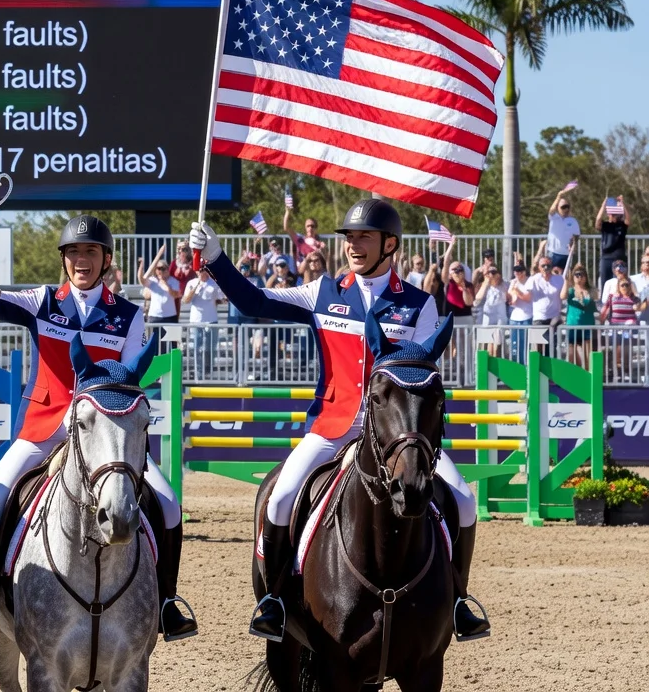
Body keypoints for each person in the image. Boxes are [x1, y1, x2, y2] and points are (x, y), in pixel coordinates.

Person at [189, 198, 488, 643]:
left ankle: (460, 600)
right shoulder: (322, 292)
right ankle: (273, 599)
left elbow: (421, 378)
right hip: (334, 425)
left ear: (390, 245)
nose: (353, 245)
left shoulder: (420, 306)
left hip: (397, 432)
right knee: (280, 497)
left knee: (463, 499)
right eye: (349, 237)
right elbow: (253, 300)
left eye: (364, 237)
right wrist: (215, 259)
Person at [0, 215, 198, 644]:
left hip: (104, 434)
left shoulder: (127, 315)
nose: (80, 260)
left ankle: (167, 602)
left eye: (89, 252)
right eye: (72, 252)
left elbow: (127, 380)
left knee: (168, 502)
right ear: (64, 260)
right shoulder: (42, 300)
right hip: (44, 428)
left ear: (106, 259)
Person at [182, 266, 222, 378]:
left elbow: (221, 299)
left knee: (210, 348)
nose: (201, 272)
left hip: (211, 320)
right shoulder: (191, 283)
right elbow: (185, 300)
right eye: (199, 270)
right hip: (196, 321)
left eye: (203, 270)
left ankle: (208, 371)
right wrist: (195, 288)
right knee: (197, 347)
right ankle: (199, 371)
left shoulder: (214, 283)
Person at [561, 265, 598, 368]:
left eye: (582, 274)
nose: (579, 277)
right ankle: (574, 376)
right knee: (572, 354)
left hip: (587, 325)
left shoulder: (591, 291)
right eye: (577, 275)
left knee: (587, 354)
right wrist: (566, 281)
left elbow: (596, 297)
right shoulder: (571, 291)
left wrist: (584, 293)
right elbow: (562, 296)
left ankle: (587, 375)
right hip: (573, 325)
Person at [473, 262, 508, 356]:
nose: (491, 275)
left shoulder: (504, 284)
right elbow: (477, 299)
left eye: (493, 272)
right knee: (487, 345)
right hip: (487, 320)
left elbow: (509, 297)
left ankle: (495, 367)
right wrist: (486, 283)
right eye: (489, 272)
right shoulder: (484, 286)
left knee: (497, 345)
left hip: (500, 319)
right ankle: (488, 368)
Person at [138, 246, 179, 323]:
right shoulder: (152, 280)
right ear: (156, 270)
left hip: (170, 316)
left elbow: (175, 295)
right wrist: (141, 267)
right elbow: (142, 280)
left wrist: (166, 286)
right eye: (159, 268)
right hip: (154, 316)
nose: (161, 271)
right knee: (154, 335)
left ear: (168, 269)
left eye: (163, 268)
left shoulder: (174, 281)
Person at [595, 196, 629, 287]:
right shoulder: (605, 225)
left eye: (616, 213)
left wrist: (623, 204)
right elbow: (597, 221)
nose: (614, 215)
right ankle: (605, 300)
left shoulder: (622, 225)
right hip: (606, 257)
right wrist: (603, 206)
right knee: (605, 283)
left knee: (619, 282)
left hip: (619, 258)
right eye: (612, 213)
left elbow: (628, 220)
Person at [545, 185, 580, 271]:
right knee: (551, 276)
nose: (566, 209)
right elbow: (551, 210)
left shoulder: (573, 221)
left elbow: (576, 235)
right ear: (558, 208)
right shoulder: (554, 217)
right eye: (563, 207)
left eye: (567, 206)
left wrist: (573, 244)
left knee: (566, 278)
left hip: (567, 254)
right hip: (553, 253)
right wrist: (558, 196)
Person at [506, 261, 534, 363]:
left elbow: (527, 298)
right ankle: (516, 369)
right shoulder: (513, 282)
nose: (518, 274)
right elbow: (511, 301)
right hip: (514, 318)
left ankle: (526, 369)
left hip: (527, 317)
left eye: (520, 271)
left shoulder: (530, 281)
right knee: (514, 346)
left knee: (526, 346)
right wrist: (511, 290)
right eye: (516, 271)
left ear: (524, 271)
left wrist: (516, 289)